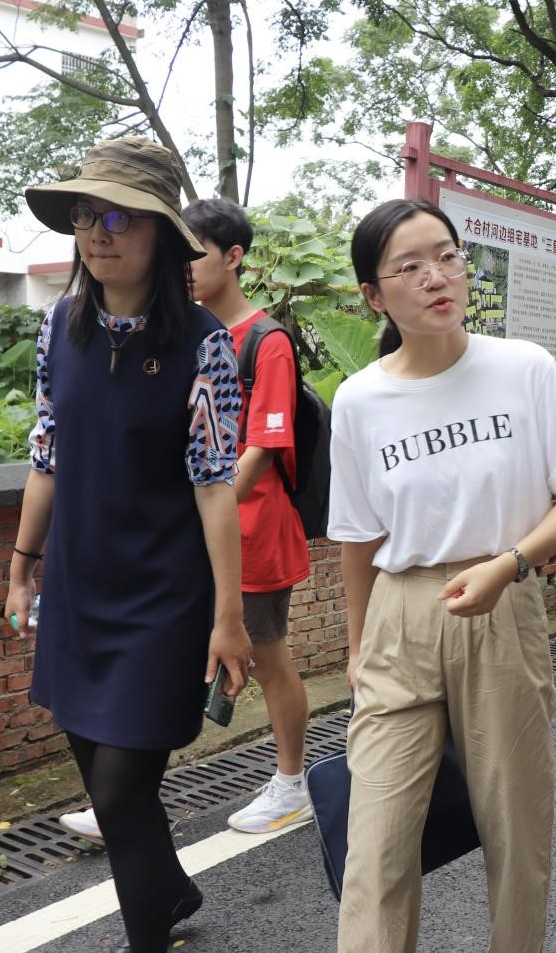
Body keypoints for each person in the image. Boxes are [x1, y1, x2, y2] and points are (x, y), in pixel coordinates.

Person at [5, 136, 253, 953]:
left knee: (116, 791)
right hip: (78, 588)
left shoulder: (204, 345)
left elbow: (215, 484)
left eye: (118, 218)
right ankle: (172, 890)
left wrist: (228, 617)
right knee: (106, 777)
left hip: (164, 600)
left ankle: (147, 936)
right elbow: (47, 453)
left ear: (159, 234)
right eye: (85, 216)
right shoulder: (60, 327)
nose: (97, 233)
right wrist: (22, 568)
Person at [330, 198, 556, 953]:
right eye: (409, 267)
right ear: (374, 295)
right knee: (375, 846)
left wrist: (511, 565)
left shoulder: (523, 369)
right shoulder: (360, 400)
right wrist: (357, 648)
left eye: (446, 256)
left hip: (502, 600)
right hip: (399, 614)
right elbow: (357, 539)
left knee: (516, 829)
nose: (437, 277)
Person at [184, 196, 314, 832]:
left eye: (195, 254)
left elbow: (262, 448)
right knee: (171, 652)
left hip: (253, 532)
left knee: (266, 658)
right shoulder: (186, 334)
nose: (182, 267)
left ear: (233, 257)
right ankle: (130, 793)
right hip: (199, 533)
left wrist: (202, 514)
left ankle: (292, 783)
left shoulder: (267, 341)